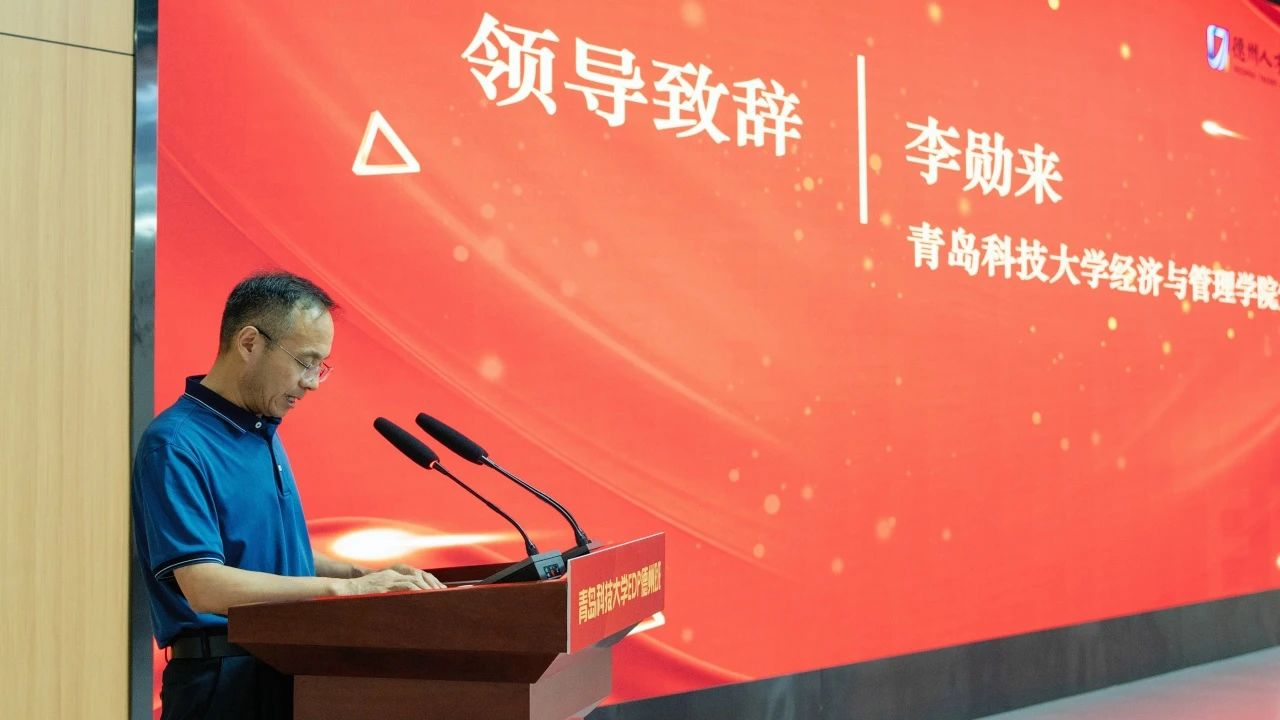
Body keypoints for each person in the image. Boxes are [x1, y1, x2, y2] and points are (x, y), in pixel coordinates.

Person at [131, 271, 445, 720]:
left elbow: (274, 555)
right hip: (223, 683)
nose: (312, 382)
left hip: (285, 667)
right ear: (249, 343)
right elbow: (204, 585)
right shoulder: (177, 443)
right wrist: (346, 588)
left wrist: (366, 575)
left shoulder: (261, 431)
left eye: (321, 366)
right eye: (305, 361)